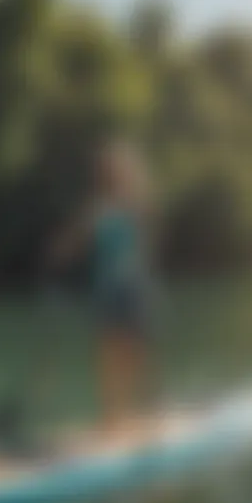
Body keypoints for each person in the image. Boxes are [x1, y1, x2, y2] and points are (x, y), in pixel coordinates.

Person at [47, 138, 158, 433]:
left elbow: (143, 220)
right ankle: (112, 418)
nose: (114, 172)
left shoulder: (135, 201)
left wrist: (132, 175)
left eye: (119, 167)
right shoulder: (96, 208)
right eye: (110, 168)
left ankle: (139, 413)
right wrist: (62, 249)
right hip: (106, 287)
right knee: (107, 351)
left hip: (133, 284)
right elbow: (78, 237)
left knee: (135, 349)